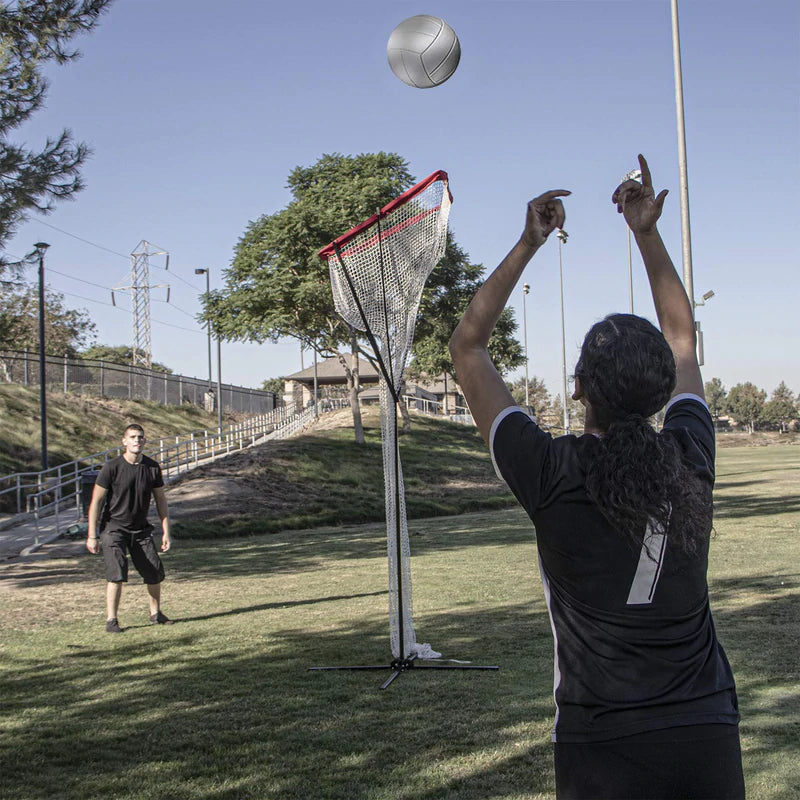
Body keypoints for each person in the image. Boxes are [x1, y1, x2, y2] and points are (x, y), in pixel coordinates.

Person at [449, 155, 744, 799]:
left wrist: (529, 242)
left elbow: (467, 345)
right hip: (706, 734)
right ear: (661, 387)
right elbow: (684, 336)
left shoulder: (549, 470)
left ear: (578, 387)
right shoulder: (690, 453)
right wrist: (645, 231)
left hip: (598, 744)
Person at [86, 423, 173, 633]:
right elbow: (96, 502)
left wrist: (166, 530)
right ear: (124, 441)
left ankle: (155, 614)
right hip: (114, 529)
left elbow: (161, 499)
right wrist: (92, 535)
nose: (137, 440)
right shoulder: (112, 468)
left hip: (141, 530)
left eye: (140, 437)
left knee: (154, 572)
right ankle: (112, 621)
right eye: (132, 437)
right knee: (117, 574)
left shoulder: (152, 467)